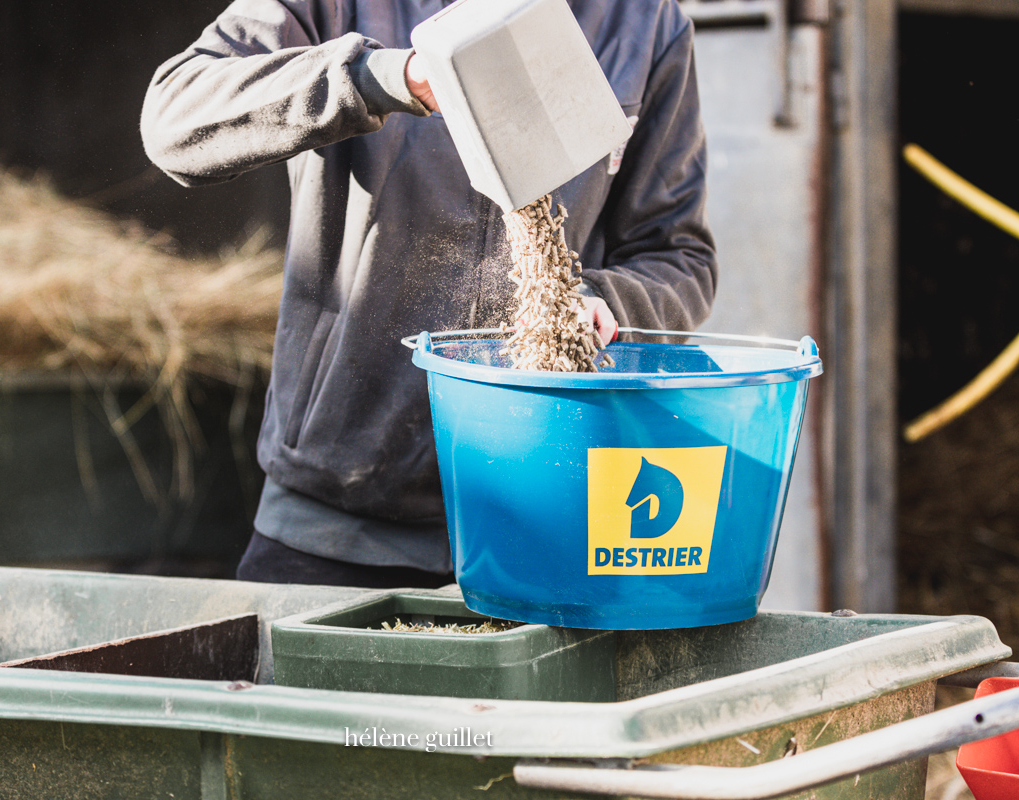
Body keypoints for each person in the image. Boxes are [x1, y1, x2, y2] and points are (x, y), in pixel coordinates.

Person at [141, 0, 717, 588]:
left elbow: (677, 255)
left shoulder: (644, 23)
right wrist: (385, 77)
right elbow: (175, 119)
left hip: (546, 522)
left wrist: (602, 303)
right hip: (334, 524)